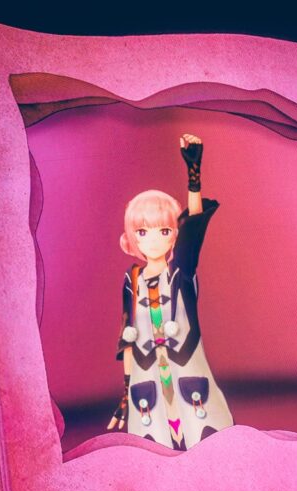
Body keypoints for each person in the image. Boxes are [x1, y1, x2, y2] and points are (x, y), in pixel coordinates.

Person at [107, 133, 233, 449]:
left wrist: (194, 176)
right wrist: (125, 393)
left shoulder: (179, 272)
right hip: (146, 377)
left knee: (201, 439)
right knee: (155, 446)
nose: (152, 239)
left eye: (163, 230)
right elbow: (128, 336)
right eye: (142, 231)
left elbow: (193, 233)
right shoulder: (132, 279)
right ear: (132, 237)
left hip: (187, 369)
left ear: (174, 235)